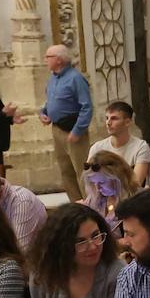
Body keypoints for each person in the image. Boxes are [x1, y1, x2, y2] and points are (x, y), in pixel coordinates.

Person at [38, 44, 94, 201]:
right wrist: (43, 113)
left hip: (73, 130)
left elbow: (86, 107)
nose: (45, 60)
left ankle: (91, 203)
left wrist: (78, 131)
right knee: (65, 170)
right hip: (57, 129)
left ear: (59, 60)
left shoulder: (76, 79)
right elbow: (50, 101)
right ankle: (76, 202)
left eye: (48, 57)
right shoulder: (53, 78)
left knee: (82, 170)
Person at [88, 100, 150, 187]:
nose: (108, 123)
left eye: (114, 118)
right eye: (107, 118)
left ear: (127, 122)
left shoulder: (141, 147)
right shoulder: (97, 147)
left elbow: (136, 183)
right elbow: (89, 179)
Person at [81, 151, 140, 223]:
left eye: (102, 182)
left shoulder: (137, 201)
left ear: (119, 177)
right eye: (93, 183)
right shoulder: (94, 199)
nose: (98, 188)